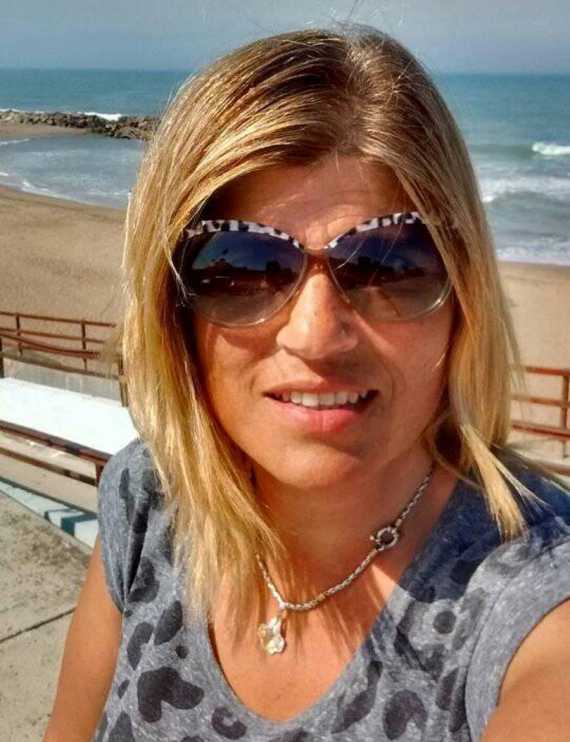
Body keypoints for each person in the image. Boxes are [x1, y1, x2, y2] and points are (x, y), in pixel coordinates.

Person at [44, 26, 570, 742]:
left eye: (388, 264)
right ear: (173, 311)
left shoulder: (529, 595)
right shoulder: (151, 499)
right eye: (240, 267)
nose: (317, 336)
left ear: (464, 294)